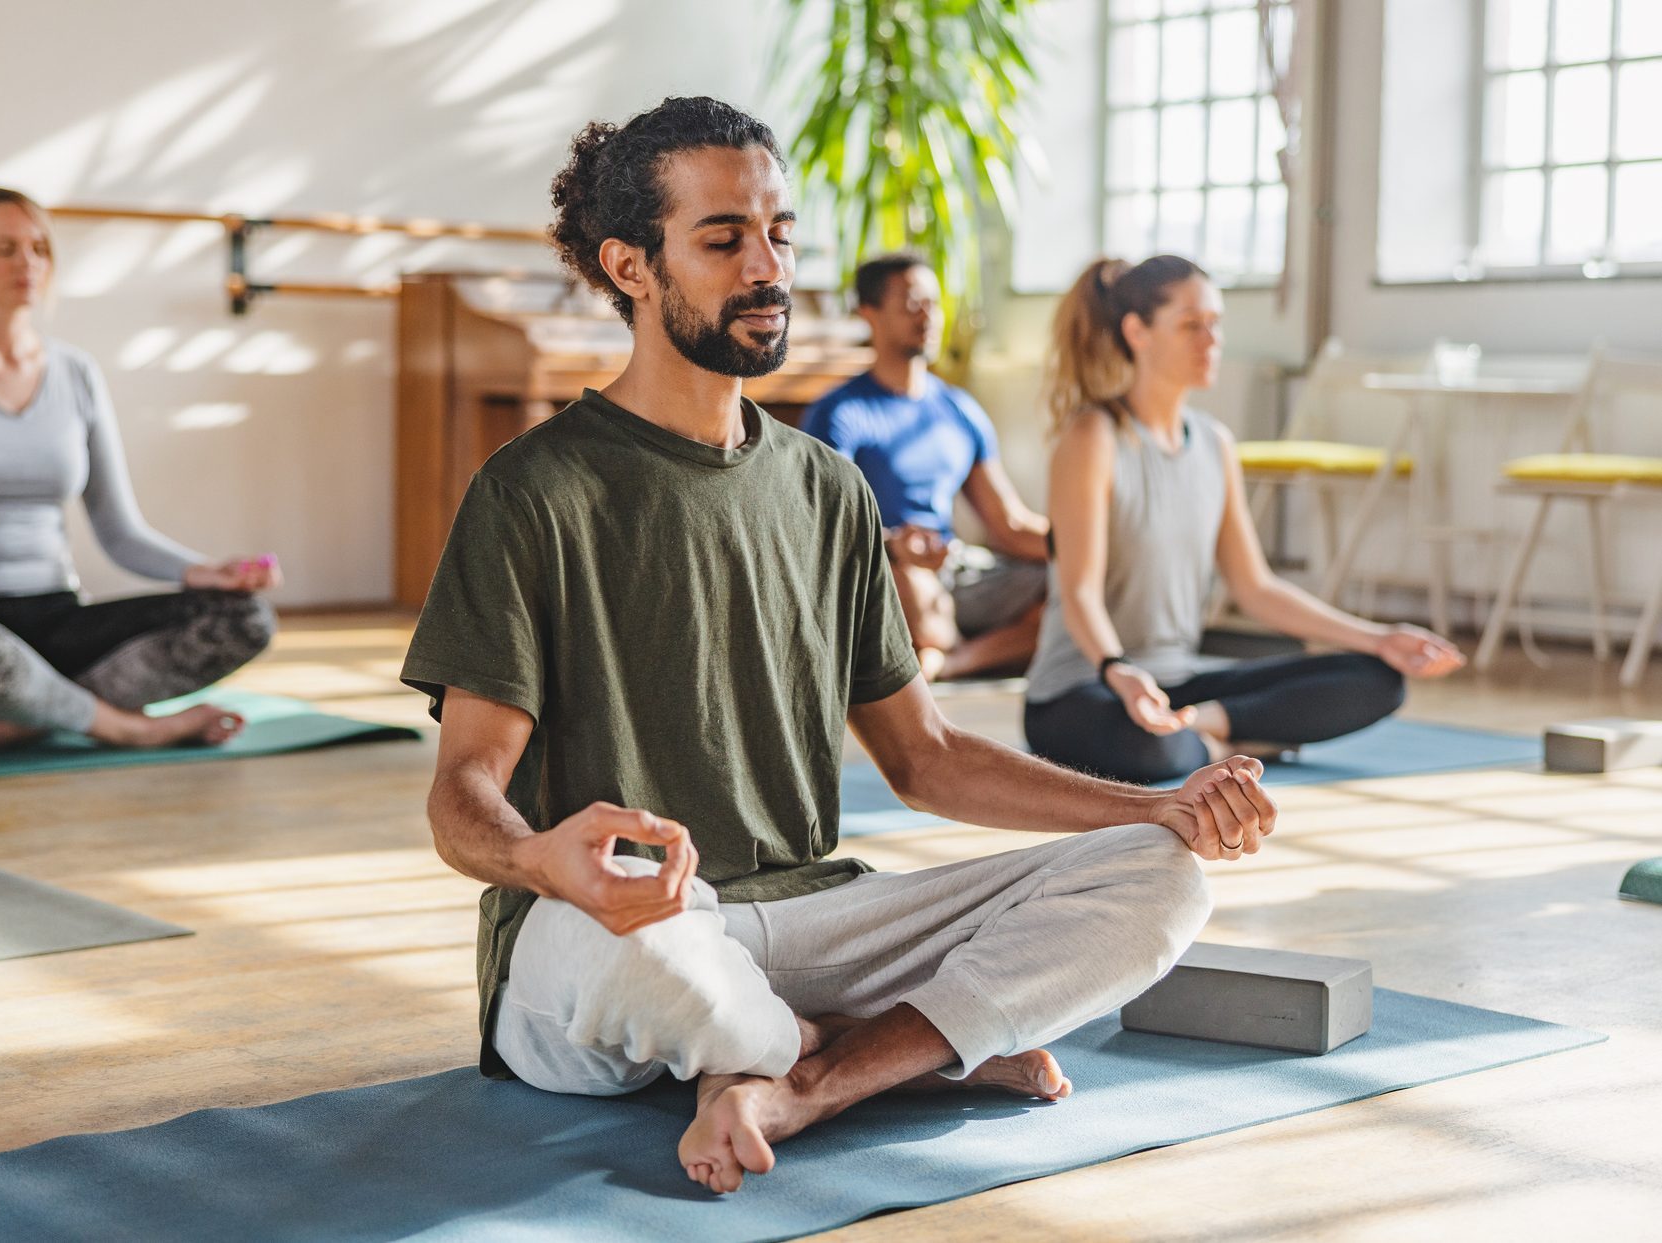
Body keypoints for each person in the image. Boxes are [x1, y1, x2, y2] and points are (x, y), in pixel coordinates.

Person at [404, 97, 1277, 1197]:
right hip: (615, 927)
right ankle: (898, 1046)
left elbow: (925, 760)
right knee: (675, 969)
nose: (767, 266)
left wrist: (1152, 808)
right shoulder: (532, 491)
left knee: (1161, 880)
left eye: (779, 234)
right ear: (630, 265)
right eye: (724, 241)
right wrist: (539, 859)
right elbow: (460, 793)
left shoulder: (826, 488)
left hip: (812, 907)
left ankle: (799, 1078)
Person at [0, 186, 281, 756]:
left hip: (55, 622)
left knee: (246, 617)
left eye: (38, 247)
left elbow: (120, 532)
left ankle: (19, 722)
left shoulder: (77, 374)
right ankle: (129, 728)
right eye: (6, 248)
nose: (28, 262)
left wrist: (206, 572)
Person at [1023, 255, 1466, 785]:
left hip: (1177, 684)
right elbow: (1079, 593)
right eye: (1191, 326)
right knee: (1143, 746)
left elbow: (1254, 587)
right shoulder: (1093, 438)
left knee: (1378, 679)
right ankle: (1227, 740)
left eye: (1215, 324)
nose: (1210, 341)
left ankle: (1207, 731)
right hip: (1086, 688)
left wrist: (1376, 637)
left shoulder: (1214, 444)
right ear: (1137, 331)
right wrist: (1119, 669)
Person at [801, 253, 1050, 681]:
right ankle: (933, 648)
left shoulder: (960, 409)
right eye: (912, 303)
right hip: (890, 566)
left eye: (933, 303)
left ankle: (948, 661)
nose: (928, 315)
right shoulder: (839, 412)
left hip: (955, 567)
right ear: (870, 313)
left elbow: (1008, 523)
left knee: (1070, 589)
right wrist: (895, 544)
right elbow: (828, 520)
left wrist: (1087, 549)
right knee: (911, 580)